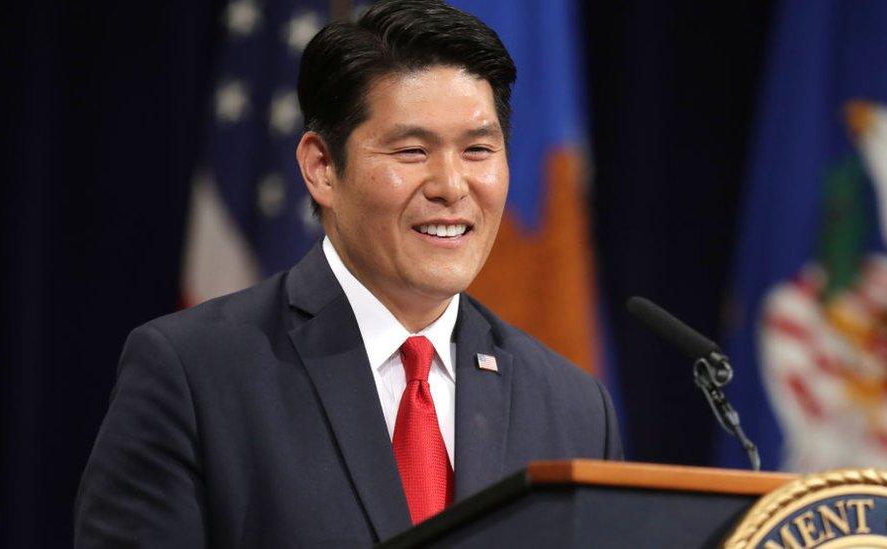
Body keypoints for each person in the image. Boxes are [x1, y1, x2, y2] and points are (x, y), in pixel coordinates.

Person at [74, 1, 623, 546]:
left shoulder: (572, 408)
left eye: (478, 150)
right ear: (322, 168)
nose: (452, 186)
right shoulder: (193, 376)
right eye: (411, 151)